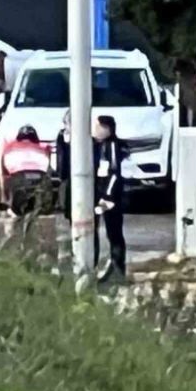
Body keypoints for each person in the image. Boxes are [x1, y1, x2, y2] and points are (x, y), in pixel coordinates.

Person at [92, 115, 127, 281]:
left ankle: (118, 268)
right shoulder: (99, 145)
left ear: (107, 129)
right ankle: (105, 266)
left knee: (114, 232)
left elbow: (114, 173)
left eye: (98, 127)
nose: (95, 131)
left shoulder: (112, 145)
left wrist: (107, 196)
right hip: (101, 193)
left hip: (110, 197)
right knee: (102, 231)